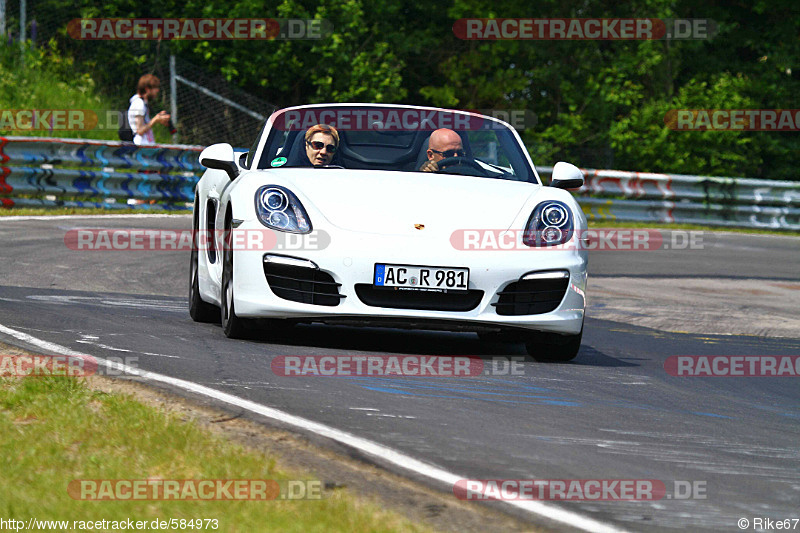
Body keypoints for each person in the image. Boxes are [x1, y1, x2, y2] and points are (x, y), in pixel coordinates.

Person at [127, 74, 171, 146]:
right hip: (141, 146)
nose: (157, 90)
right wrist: (155, 120)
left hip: (146, 145)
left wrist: (158, 118)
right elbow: (140, 130)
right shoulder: (139, 104)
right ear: (147, 89)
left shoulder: (143, 103)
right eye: (155, 88)